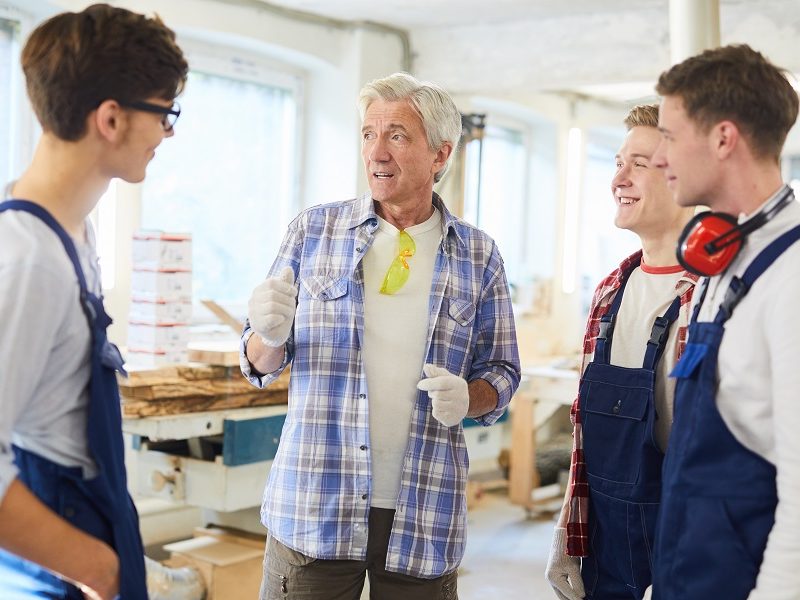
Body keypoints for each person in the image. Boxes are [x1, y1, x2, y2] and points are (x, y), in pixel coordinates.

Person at [241, 72, 520, 599]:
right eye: (369, 134)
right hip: (316, 505)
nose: (377, 151)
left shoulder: (479, 255)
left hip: (423, 510)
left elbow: (502, 372)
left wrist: (470, 398)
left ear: (440, 155)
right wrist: (269, 333)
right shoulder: (313, 231)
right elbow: (258, 361)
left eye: (396, 135)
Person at [0, 5, 188, 599]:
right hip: (60, 572)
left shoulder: (73, 235)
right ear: (110, 118)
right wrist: (96, 568)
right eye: (164, 113)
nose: (168, 133)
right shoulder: (28, 261)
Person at [650, 45, 800, 600]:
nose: (660, 156)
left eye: (669, 135)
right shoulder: (723, 256)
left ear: (722, 138)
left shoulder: (791, 277)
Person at [545, 104, 699, 600]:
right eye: (617, 162)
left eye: (638, 163)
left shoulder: (713, 294)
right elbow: (585, 437)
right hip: (607, 553)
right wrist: (567, 532)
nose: (618, 179)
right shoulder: (611, 290)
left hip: (687, 550)